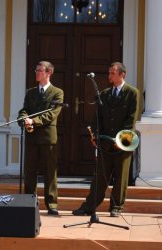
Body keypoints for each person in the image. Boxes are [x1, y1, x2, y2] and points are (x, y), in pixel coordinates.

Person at [72, 62, 140, 217]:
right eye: (109, 73)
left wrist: (120, 140)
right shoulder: (104, 94)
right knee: (100, 177)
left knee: (120, 177)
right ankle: (89, 206)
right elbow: (98, 118)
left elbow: (130, 120)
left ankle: (116, 207)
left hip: (123, 143)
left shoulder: (132, 93)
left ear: (122, 74)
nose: (109, 76)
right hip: (105, 143)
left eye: (113, 73)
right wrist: (96, 135)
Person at [18, 61, 64, 215]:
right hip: (32, 138)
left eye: (40, 70)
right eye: (36, 70)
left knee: (50, 172)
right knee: (30, 172)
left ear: (48, 73)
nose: (36, 73)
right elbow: (24, 109)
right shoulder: (31, 92)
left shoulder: (57, 92)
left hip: (47, 138)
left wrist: (34, 121)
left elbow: (52, 114)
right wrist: (23, 118)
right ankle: (28, 202)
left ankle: (52, 204)